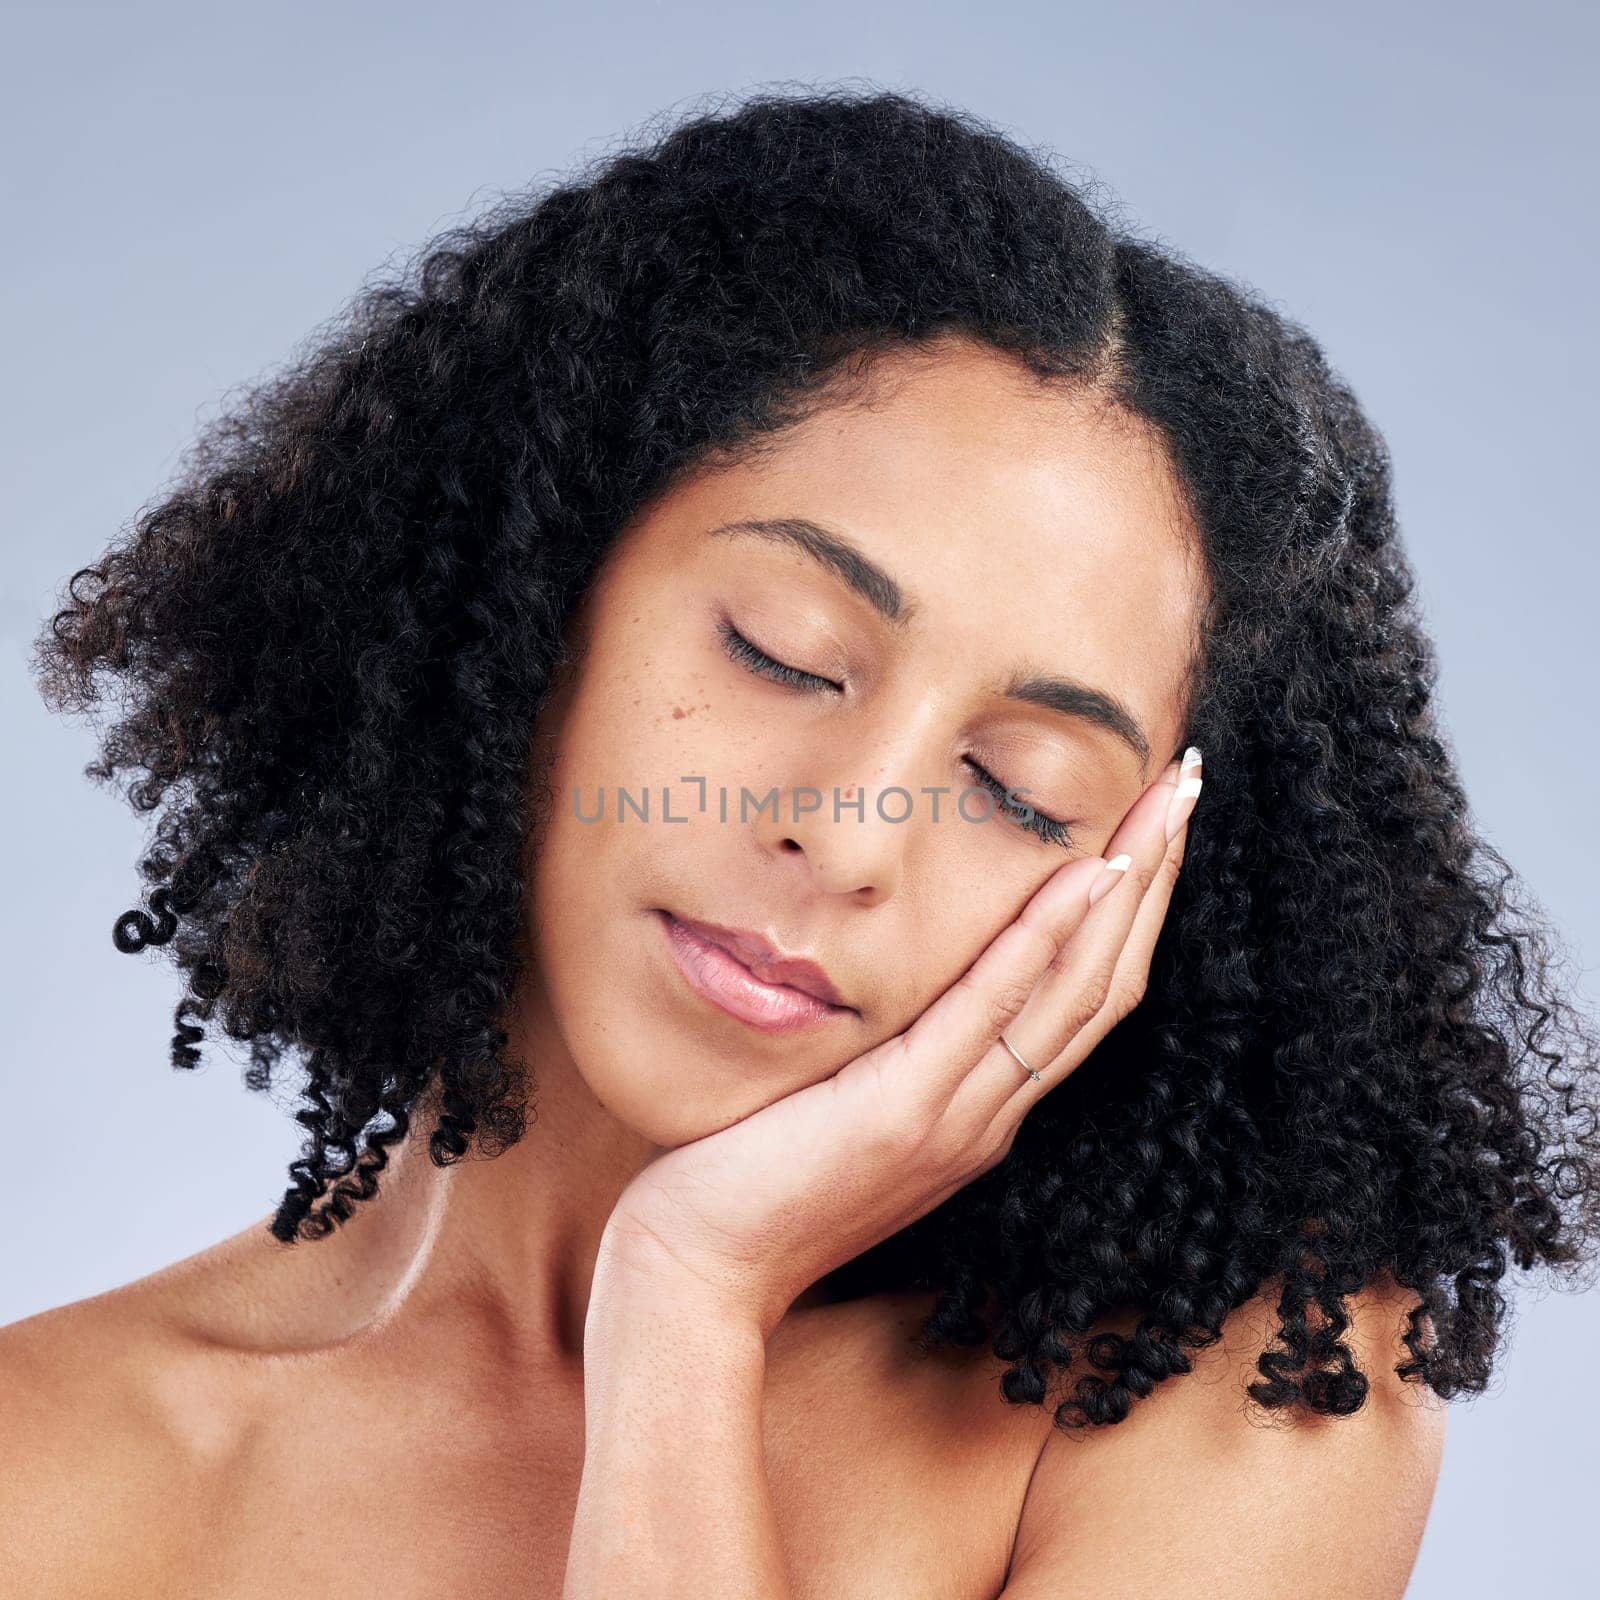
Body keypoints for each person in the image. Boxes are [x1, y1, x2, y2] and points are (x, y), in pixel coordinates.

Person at [7, 86, 1598, 1598]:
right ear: (531, 598)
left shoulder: (1239, 1385)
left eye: (1023, 787)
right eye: (783, 653)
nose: (846, 832)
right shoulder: (51, 1465)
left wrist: (687, 1301)